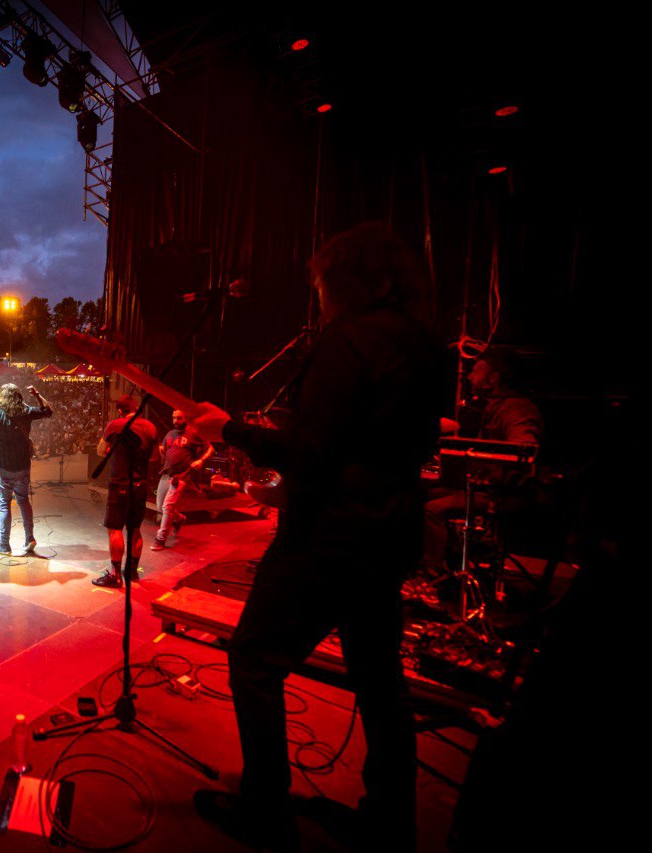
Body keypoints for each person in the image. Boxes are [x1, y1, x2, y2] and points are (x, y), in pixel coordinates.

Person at [189, 223, 442, 850]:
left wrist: (230, 431)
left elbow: (311, 453)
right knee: (380, 680)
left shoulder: (346, 341)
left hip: (329, 535)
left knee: (254, 659)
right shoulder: (423, 345)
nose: (320, 297)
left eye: (322, 283)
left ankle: (265, 816)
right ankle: (389, 826)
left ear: (344, 281)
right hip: (391, 533)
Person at [422, 348, 544, 577]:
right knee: (423, 494)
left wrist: (486, 464)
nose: (469, 377)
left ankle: (432, 573)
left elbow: (524, 449)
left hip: (505, 494)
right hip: (486, 489)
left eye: (476, 372)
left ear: (494, 378)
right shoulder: (495, 407)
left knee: (432, 510)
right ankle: (453, 560)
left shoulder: (516, 410)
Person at [93, 394, 158, 588]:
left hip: (119, 485)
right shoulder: (150, 427)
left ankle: (115, 575)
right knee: (135, 529)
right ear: (136, 407)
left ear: (120, 410)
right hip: (140, 486)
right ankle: (132, 572)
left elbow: (100, 450)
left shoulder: (114, 425)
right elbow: (155, 457)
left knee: (115, 530)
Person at [0, 383, 52, 555]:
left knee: (4, 505)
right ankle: (30, 539)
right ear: (19, 397)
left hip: (3, 468)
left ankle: (4, 545)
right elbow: (48, 411)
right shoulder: (26, 412)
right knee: (23, 501)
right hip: (23, 467)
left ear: (2, 397)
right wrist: (37, 394)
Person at [151, 409, 214, 551]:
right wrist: (160, 450)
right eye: (174, 418)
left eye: (179, 418)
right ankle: (179, 519)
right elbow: (164, 451)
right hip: (166, 474)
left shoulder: (193, 434)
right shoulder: (170, 434)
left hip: (181, 476)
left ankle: (160, 539)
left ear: (186, 418)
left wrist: (201, 460)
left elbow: (210, 448)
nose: (175, 421)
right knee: (160, 507)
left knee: (167, 507)